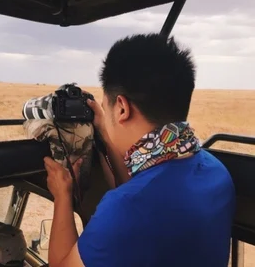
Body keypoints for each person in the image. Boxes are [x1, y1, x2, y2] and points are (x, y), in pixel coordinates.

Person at [43, 33, 236, 267]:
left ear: (122, 108)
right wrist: (104, 130)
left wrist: (62, 196)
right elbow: (142, 185)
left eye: (107, 107)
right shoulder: (217, 173)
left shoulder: (125, 208)